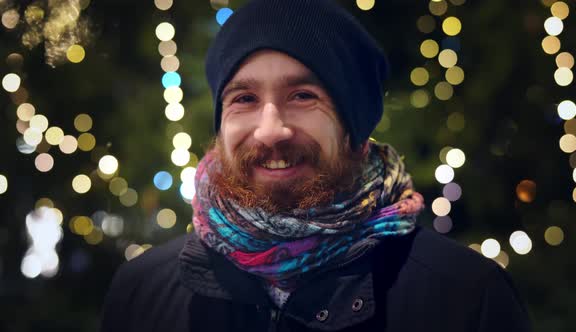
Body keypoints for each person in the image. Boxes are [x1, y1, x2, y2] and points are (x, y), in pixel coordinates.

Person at [100, 0, 531, 331]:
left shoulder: (465, 298)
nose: (270, 130)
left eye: (303, 96)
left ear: (355, 130)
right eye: (244, 99)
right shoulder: (141, 292)